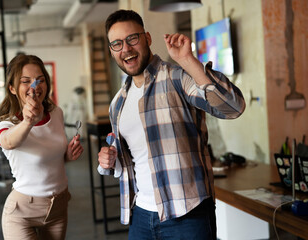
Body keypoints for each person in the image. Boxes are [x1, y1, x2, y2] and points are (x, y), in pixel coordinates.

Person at [97, 9, 245, 240]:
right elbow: (133, 159)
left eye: (132, 39)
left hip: (188, 214)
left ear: (147, 38)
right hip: (141, 216)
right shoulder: (118, 103)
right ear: (111, 50)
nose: (125, 48)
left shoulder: (177, 77)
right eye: (117, 43)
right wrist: (110, 159)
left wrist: (188, 60)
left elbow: (233, 108)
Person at [0, 54, 84, 240]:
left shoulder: (56, 113)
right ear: (12, 88)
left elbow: (52, 160)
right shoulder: (7, 126)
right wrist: (28, 121)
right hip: (22, 213)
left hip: (58, 207)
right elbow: (8, 142)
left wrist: (67, 154)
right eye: (25, 81)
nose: (34, 86)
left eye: (40, 80)